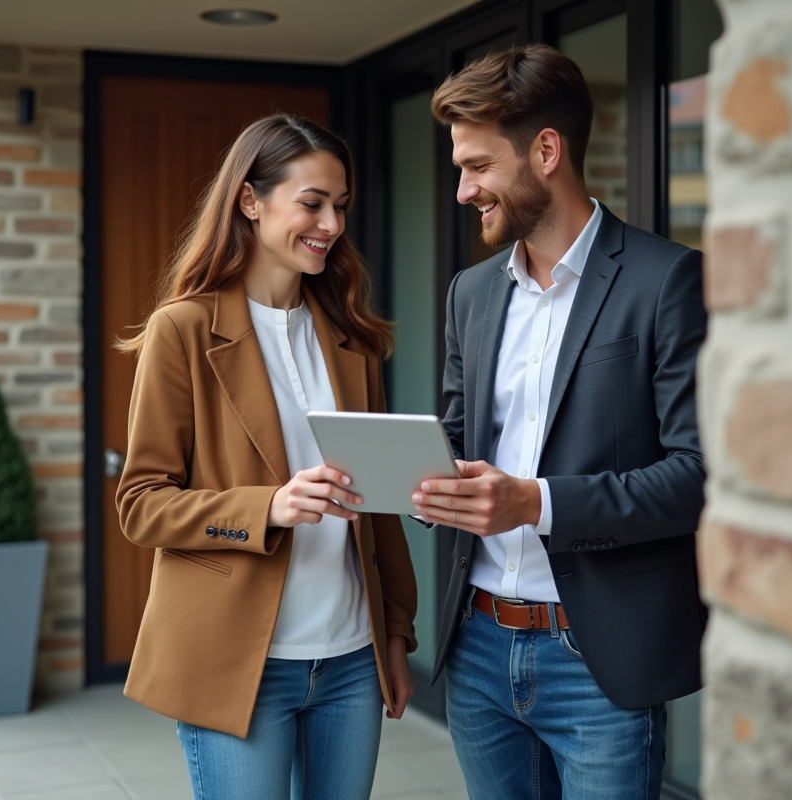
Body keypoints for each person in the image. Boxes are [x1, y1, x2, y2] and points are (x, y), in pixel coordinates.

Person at [410, 45, 708, 800]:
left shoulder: (666, 280)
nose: (462, 190)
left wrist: (534, 502)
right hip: (476, 648)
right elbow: (456, 441)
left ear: (546, 151)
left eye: (477, 165)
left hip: (597, 656)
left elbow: (697, 477)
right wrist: (416, 476)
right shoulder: (469, 294)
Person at [115, 114, 417, 800]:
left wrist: (395, 633)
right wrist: (269, 507)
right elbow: (140, 504)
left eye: (340, 207)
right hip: (236, 665)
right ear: (250, 201)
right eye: (311, 203)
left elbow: (379, 509)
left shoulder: (352, 340)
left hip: (348, 659)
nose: (331, 224)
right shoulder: (183, 330)